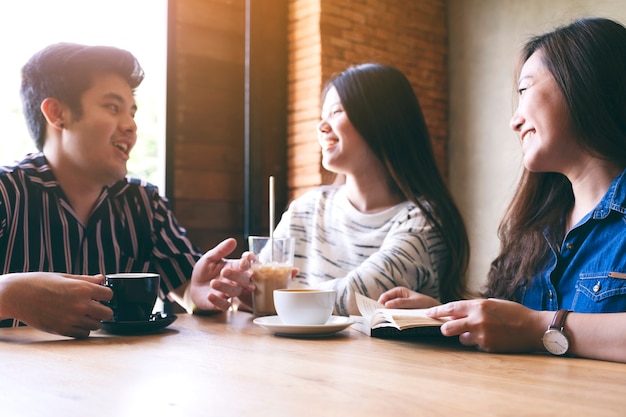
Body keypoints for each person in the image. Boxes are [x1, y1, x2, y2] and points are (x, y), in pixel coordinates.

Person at [379, 17, 626, 363]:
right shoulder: (540, 226)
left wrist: (538, 328)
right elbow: (515, 329)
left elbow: (527, 328)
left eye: (525, 91)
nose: (515, 120)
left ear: (584, 83)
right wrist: (451, 318)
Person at [0, 43, 252, 338]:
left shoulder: (145, 202)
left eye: (132, 112)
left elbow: (187, 289)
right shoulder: (7, 193)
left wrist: (199, 293)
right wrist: (9, 293)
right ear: (58, 114)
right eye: (112, 107)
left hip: (121, 379)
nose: (131, 126)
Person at [224, 63, 470, 316]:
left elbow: (361, 297)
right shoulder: (307, 209)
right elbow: (256, 290)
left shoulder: (423, 221)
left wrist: (275, 299)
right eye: (322, 115)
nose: (321, 126)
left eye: (336, 112)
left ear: (381, 120)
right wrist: (241, 287)